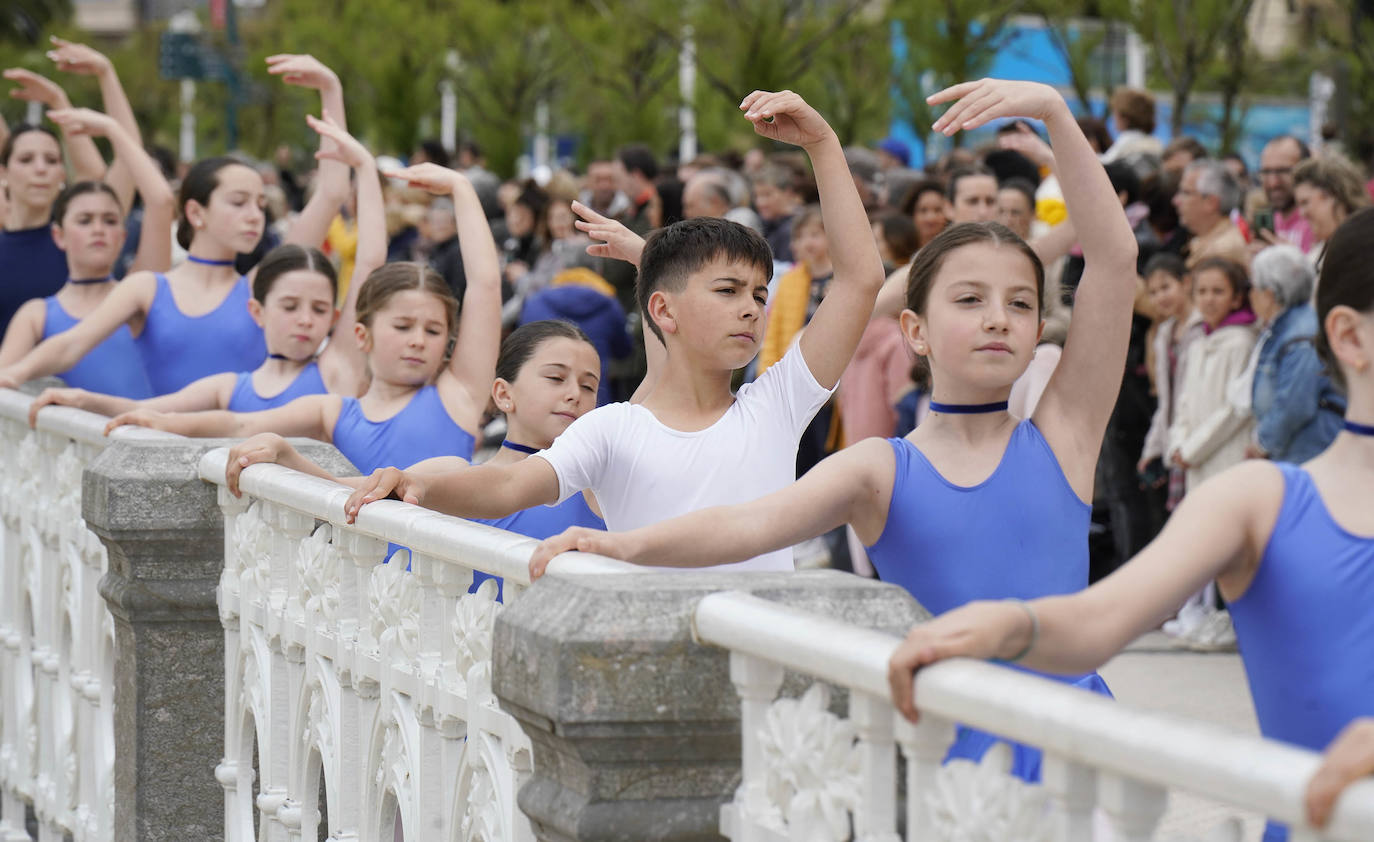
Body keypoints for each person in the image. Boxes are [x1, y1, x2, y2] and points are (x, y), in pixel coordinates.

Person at [531, 79, 1139, 781]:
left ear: (1040, 327)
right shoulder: (880, 469)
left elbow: (1115, 263)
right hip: (938, 758)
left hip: (1074, 751)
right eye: (970, 300)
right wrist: (620, 543)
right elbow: (745, 525)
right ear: (914, 328)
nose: (998, 317)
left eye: (1021, 303)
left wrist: (1056, 113)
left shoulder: (1065, 430)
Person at [885, 205, 1374, 842]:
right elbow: (1101, 620)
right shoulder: (1260, 501)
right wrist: (1007, 622)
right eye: (971, 300)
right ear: (1350, 335)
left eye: (1017, 303)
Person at [340, 89, 885, 573]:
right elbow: (506, 483)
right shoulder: (612, 428)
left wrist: (822, 145)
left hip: (761, 677)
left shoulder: (776, 405)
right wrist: (416, 484)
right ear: (663, 312)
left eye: (760, 295)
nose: (751, 309)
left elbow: (859, 280)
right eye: (728, 291)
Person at [101, 161, 502, 477]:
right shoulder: (334, 410)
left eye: (433, 331)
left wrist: (461, 189)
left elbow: (484, 285)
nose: (418, 340)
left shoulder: (459, 394)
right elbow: (240, 424)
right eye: (402, 327)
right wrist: (158, 420)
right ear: (362, 335)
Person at [0, 54, 353, 396]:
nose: (254, 216)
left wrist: (331, 90)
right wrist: (12, 373)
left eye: (260, 205)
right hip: (157, 450)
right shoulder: (147, 289)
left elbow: (331, 192)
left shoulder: (259, 286)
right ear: (197, 213)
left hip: (239, 453)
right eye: (238, 202)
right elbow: (70, 344)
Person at [224, 319, 607, 598]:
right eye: (556, 379)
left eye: (588, 386)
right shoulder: (450, 471)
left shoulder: (596, 487)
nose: (574, 393)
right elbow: (345, 493)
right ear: (504, 395)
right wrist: (284, 453)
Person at [0, 105, 174, 399]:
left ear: (122, 236)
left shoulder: (138, 294)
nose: (98, 229)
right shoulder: (36, 314)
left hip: (134, 438)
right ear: (59, 234)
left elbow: (161, 201)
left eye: (109, 221)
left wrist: (113, 129)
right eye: (84, 221)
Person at [1243, 245, 1343, 463]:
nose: (1249, 295)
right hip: (1297, 452)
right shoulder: (1284, 329)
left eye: (1251, 286)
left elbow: (1295, 405)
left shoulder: (1301, 337)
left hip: (1310, 453)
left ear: (1269, 295)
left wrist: (1263, 442)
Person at [1137, 253, 1202, 513]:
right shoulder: (1164, 334)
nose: (1160, 297)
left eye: (1166, 287)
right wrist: (1152, 449)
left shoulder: (1203, 327)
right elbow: (1166, 400)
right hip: (1175, 439)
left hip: (1198, 436)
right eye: (1152, 292)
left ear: (1186, 283)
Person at [1294, 153, 1369, 267]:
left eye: (1305, 202)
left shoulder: (1367, 248)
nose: (1302, 213)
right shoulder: (1317, 254)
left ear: (1332, 195)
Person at [1175, 159, 1249, 269]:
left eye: (1186, 193)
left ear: (1211, 203)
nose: (1176, 200)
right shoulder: (1209, 241)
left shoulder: (1221, 252)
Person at [1255, 136, 1313, 252]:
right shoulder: (1267, 223)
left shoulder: (1317, 222)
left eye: (1283, 172)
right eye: (1266, 172)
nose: (1273, 183)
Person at [899, 178, 951, 250]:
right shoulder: (899, 251)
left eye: (938, 210)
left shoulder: (955, 250)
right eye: (923, 210)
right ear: (911, 214)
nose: (930, 218)